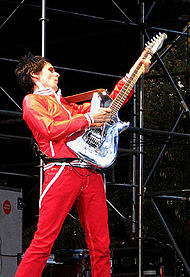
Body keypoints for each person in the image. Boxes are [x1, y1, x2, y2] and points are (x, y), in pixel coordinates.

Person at [15, 53, 149, 277]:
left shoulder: (67, 105)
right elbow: (50, 129)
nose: (56, 73)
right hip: (61, 171)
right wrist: (88, 119)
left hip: (91, 172)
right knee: (43, 242)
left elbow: (109, 107)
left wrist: (133, 76)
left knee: (101, 246)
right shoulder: (33, 101)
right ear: (34, 75)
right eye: (50, 70)